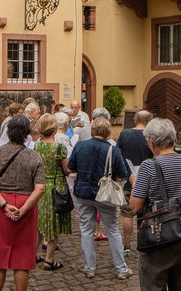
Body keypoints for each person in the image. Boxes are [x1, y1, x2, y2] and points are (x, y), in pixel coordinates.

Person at [129, 117, 181, 291]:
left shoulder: (148, 166)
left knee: (153, 286)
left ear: (152, 142)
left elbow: (135, 206)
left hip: (159, 235)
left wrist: (134, 183)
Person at [0, 115, 45, 291]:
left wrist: (4, 205)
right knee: (22, 258)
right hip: (26, 203)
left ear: (8, 132)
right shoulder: (34, 157)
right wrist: (24, 209)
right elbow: (40, 188)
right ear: (27, 133)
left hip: (0, 203)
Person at [67, 117, 133, 280]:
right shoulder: (113, 150)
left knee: (86, 230)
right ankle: (121, 268)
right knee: (112, 230)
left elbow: (71, 167)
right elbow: (122, 173)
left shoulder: (81, 146)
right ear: (108, 131)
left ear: (93, 130)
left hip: (83, 191)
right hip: (105, 194)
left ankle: (90, 268)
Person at [33, 114, 72, 270]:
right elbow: (66, 171)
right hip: (55, 187)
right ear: (54, 129)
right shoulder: (59, 148)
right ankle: (49, 259)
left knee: (40, 224)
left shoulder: (37, 146)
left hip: (40, 187)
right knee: (53, 225)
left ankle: (33, 254)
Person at [116, 109, 153, 253]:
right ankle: (142, 242)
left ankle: (126, 245)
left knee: (127, 213)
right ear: (148, 121)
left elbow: (118, 155)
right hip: (145, 178)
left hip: (128, 178)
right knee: (144, 213)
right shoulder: (150, 136)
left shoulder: (124, 134)